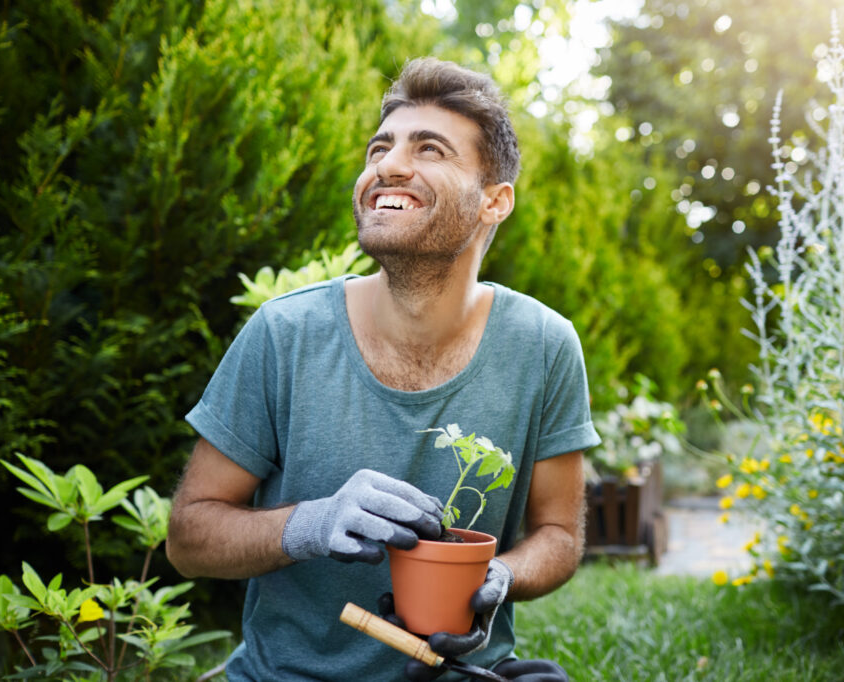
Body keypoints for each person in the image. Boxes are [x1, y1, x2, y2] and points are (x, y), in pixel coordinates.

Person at [166, 57, 600, 681]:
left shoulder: (545, 346)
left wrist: (499, 576)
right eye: (380, 147)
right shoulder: (284, 334)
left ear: (493, 202)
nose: (388, 166)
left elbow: (558, 535)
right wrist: (309, 526)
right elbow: (187, 539)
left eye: (429, 149)